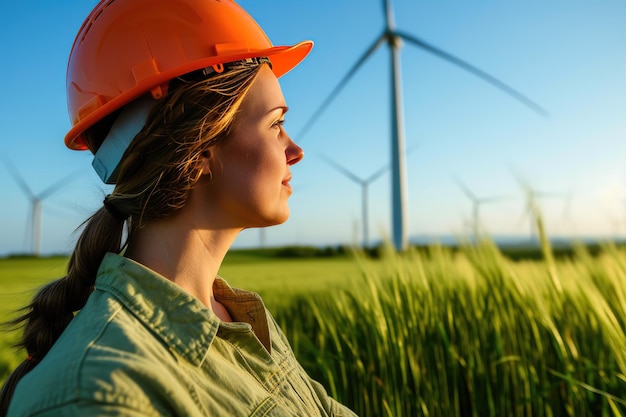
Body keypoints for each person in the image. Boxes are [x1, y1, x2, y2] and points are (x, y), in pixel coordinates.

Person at [0, 0, 358, 415]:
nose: (294, 150)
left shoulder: (239, 318)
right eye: (276, 123)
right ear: (198, 148)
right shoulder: (100, 394)